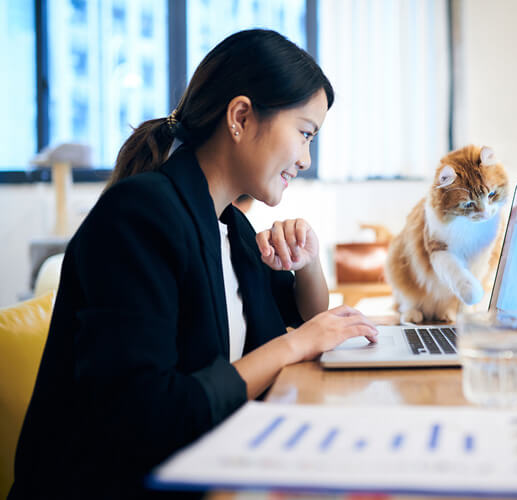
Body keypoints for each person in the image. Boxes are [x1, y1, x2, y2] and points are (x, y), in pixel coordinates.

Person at [10, 29, 378, 499]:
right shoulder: (139, 215)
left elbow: (306, 313)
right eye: (305, 134)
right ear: (241, 116)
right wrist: (293, 347)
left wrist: (306, 263)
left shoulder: (230, 225)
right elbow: (148, 417)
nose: (306, 159)